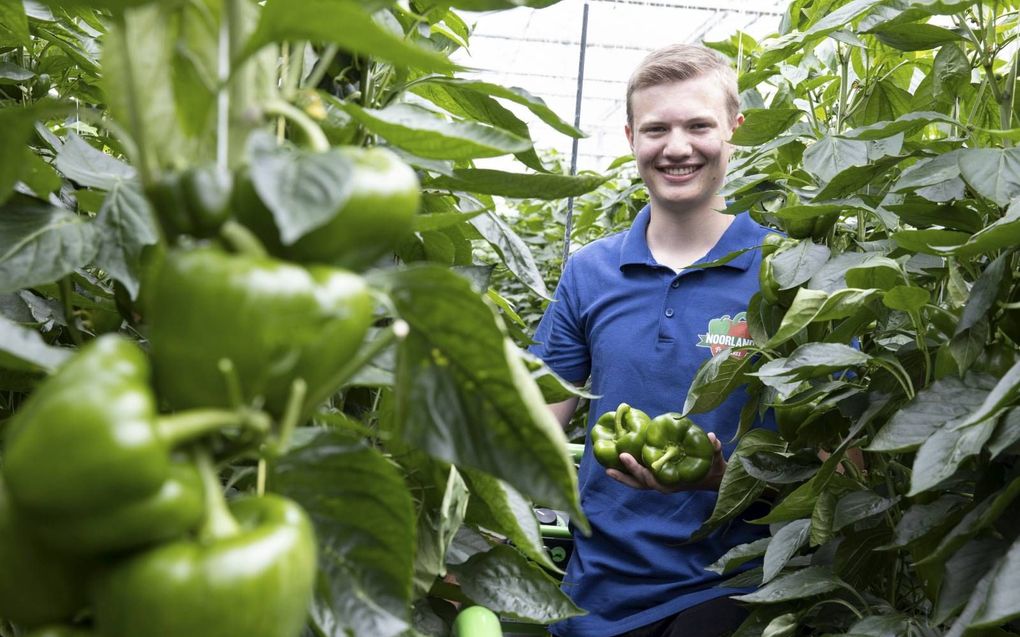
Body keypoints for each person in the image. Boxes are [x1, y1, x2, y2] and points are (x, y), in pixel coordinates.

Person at [529, 43, 775, 637]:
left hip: (732, 584)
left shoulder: (781, 271)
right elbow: (536, 417)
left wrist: (725, 478)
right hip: (598, 586)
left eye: (699, 125)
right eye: (657, 128)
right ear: (631, 136)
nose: (678, 147)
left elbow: (837, 460)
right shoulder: (590, 271)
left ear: (734, 130)